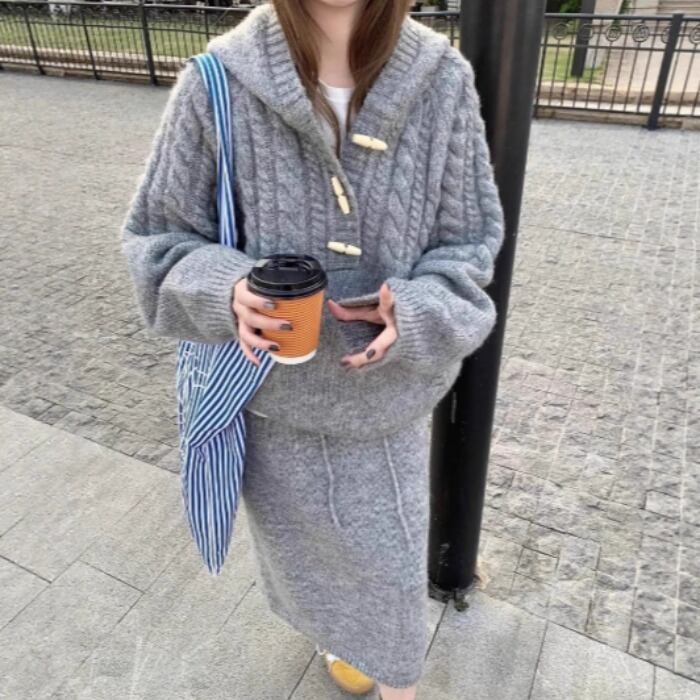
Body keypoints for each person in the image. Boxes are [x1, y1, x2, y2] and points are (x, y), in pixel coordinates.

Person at [120, 0, 504, 698]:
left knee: (390, 580)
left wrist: (418, 309)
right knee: (306, 565)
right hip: (272, 403)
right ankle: (339, 636)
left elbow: (469, 245)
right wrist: (228, 289)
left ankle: (392, 675)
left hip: (387, 405)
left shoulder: (441, 79)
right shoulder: (218, 82)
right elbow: (157, 240)